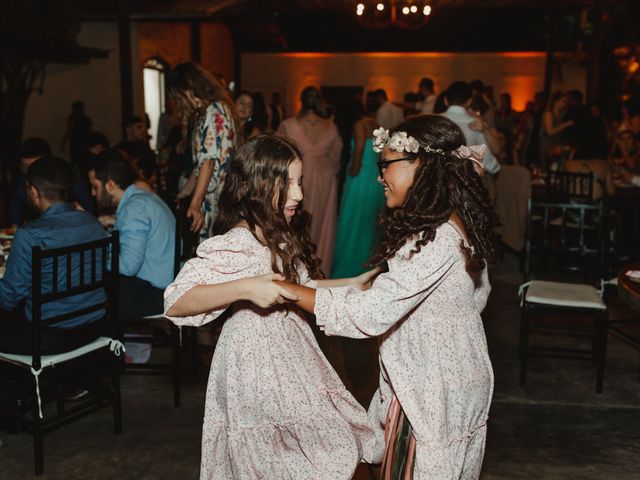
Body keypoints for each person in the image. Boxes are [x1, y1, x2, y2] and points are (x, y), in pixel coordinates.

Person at [275, 115, 498, 479]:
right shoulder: (456, 223)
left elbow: (370, 312)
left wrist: (286, 291)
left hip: (432, 391)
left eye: (387, 165)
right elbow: (475, 298)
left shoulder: (435, 237)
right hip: (451, 380)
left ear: (422, 165)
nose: (380, 176)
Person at [163, 135, 375, 479]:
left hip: (292, 357)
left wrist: (352, 283)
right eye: (287, 183)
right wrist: (246, 288)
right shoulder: (236, 242)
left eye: (300, 182)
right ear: (257, 186)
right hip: (252, 366)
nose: (299, 195)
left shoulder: (278, 234)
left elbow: (299, 289)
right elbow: (175, 301)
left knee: (321, 447)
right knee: (268, 458)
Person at [0, 157, 108, 354]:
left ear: (33, 192)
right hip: (94, 324)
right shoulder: (93, 223)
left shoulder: (29, 235)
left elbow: (8, 298)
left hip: (48, 335)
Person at [88, 151, 175, 320]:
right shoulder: (146, 198)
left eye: (95, 186)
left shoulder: (134, 208)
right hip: (168, 283)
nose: (92, 193)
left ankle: (108, 344)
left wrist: (96, 259)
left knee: (91, 300)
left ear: (110, 185)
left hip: (156, 293)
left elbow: (128, 266)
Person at [167, 62, 237, 241]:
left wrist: (195, 202)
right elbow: (200, 164)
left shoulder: (213, 111)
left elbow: (209, 161)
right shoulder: (209, 111)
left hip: (216, 197)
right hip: (212, 194)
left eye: (179, 97)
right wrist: (185, 192)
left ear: (189, 89)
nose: (179, 103)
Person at [278, 86, 342, 274]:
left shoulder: (288, 124)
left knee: (296, 219)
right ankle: (319, 269)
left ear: (301, 100)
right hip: (326, 177)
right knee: (323, 223)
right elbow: (337, 155)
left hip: (298, 176)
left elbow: (279, 154)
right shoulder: (331, 126)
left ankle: (295, 265)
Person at [332, 100, 385, 278]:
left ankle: (351, 265)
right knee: (370, 222)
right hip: (375, 177)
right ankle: (369, 263)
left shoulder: (358, 124)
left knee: (352, 219)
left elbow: (359, 149)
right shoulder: (374, 123)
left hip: (360, 176)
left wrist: (353, 170)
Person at [9, 138, 93, 226]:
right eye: (25, 167)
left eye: (35, 167)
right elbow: (16, 206)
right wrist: (14, 226)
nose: (30, 172)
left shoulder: (68, 178)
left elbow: (88, 212)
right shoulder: (23, 179)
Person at [442, 81, 501, 175]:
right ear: (469, 101)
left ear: (445, 100)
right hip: (466, 182)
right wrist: (495, 167)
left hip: (438, 183)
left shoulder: (433, 122)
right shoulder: (475, 124)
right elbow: (491, 164)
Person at [539, 91, 573, 169]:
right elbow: (550, 132)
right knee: (548, 168)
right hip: (547, 144)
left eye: (566, 102)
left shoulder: (561, 114)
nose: (565, 104)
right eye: (563, 101)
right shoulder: (549, 114)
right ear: (555, 101)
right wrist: (565, 125)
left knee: (557, 167)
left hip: (556, 144)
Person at [60, 100, 93, 167]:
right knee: (83, 160)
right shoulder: (86, 119)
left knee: (75, 159)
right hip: (84, 141)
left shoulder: (73, 117)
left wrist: (64, 142)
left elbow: (69, 130)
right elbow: (90, 131)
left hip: (76, 141)